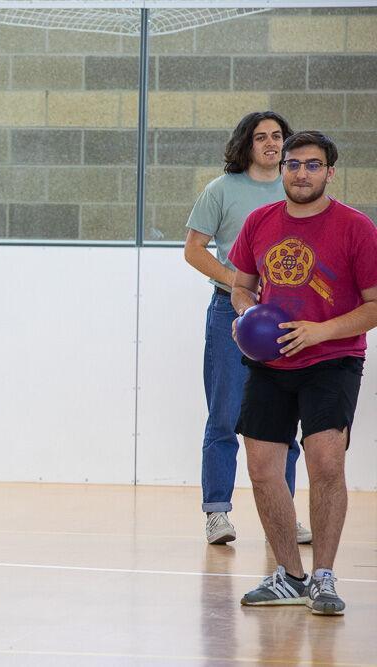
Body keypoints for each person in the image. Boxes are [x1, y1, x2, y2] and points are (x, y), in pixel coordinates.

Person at [229, 131, 377, 615]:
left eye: (313, 166)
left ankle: (324, 578)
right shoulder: (259, 222)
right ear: (283, 169)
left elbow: (374, 306)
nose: (301, 173)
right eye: (294, 165)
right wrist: (245, 319)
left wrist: (320, 332)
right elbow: (242, 287)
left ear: (330, 172)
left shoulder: (356, 228)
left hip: (332, 361)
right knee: (261, 468)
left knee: (326, 464)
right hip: (269, 364)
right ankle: (290, 577)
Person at [184, 111, 312, 545]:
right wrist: (238, 286)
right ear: (247, 144)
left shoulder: (297, 190)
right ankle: (217, 513)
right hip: (231, 315)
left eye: (279, 136)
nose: (272, 143)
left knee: (284, 419)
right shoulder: (220, 191)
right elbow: (194, 250)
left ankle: (287, 514)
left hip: (288, 320)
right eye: (262, 137)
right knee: (224, 415)